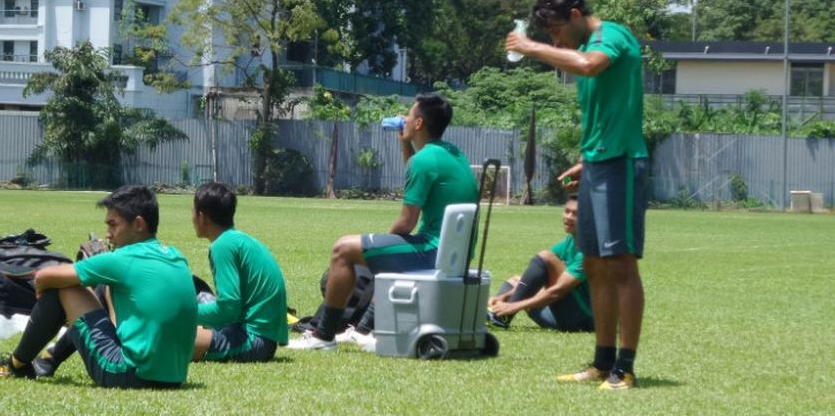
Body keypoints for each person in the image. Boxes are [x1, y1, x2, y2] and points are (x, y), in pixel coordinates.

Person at [506, 0, 649, 390]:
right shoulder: (583, 45)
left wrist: (532, 49)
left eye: (556, 31)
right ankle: (602, 363)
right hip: (599, 164)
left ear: (575, 13)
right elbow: (608, 109)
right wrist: (588, 160)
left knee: (620, 266)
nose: (555, 42)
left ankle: (626, 367)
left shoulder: (612, 36)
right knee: (596, 267)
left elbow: (589, 65)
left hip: (621, 163)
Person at [287, 93, 479, 351]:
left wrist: (380, 247)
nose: (404, 120)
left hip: (432, 250)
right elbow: (418, 171)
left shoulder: (423, 161)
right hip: (453, 252)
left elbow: (406, 223)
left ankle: (323, 336)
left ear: (419, 123)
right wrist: (404, 143)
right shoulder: (452, 153)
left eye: (408, 116)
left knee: (343, 248)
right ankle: (363, 329)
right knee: (374, 252)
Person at [0, 185, 197, 389]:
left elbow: (44, 277)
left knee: (64, 287)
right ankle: (48, 360)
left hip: (129, 374)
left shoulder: (122, 259)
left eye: (113, 225)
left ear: (138, 224)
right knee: (94, 287)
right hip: (174, 377)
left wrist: (54, 290)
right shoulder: (177, 256)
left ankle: (17, 365)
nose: (108, 234)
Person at [190, 182, 289, 362]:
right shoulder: (238, 240)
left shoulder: (222, 246)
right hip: (263, 338)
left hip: (253, 341)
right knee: (197, 294)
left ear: (202, 217)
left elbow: (229, 307)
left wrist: (183, 315)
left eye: (192, 212)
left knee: (172, 341)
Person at [487, 194, 592, 332]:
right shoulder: (570, 241)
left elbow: (557, 291)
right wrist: (503, 297)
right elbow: (540, 283)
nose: (568, 217)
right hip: (559, 317)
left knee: (545, 257)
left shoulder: (590, 251)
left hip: (581, 321)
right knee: (516, 281)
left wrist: (513, 306)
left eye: (575, 214)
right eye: (567, 211)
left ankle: (501, 318)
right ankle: (495, 312)